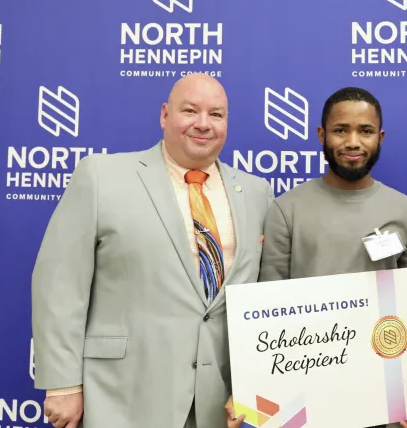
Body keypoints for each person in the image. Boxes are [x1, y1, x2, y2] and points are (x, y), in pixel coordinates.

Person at [31, 73, 274, 428]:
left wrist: (253, 384)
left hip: (217, 405)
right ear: (164, 115)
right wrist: (63, 383)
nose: (203, 124)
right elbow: (60, 283)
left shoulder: (256, 192)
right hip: (120, 396)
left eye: (216, 115)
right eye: (190, 111)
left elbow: (263, 299)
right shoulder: (101, 176)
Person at [258, 87, 407, 428]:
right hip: (304, 397)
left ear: (380, 137)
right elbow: (269, 306)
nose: (353, 142)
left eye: (365, 131)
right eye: (341, 130)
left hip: (385, 400)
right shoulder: (286, 209)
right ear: (322, 135)